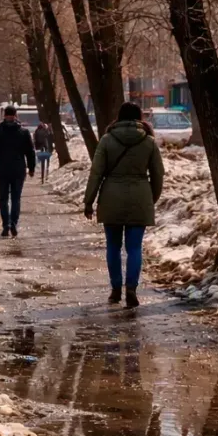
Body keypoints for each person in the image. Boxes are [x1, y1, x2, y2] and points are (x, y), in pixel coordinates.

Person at [83, 101, 164, 308]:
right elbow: (158, 174)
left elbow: (96, 173)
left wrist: (89, 201)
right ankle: (131, 289)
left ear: (119, 117)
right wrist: (151, 198)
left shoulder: (107, 140)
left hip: (111, 197)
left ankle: (115, 290)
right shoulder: (149, 142)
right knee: (135, 247)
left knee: (113, 246)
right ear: (139, 118)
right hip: (140, 196)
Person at [0, 106, 35, 237]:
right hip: (18, 170)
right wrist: (31, 168)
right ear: (16, 115)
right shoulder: (23, 132)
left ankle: (6, 225)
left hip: (1, 170)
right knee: (16, 199)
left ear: (4, 116)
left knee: (3, 199)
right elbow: (30, 152)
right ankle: (13, 223)